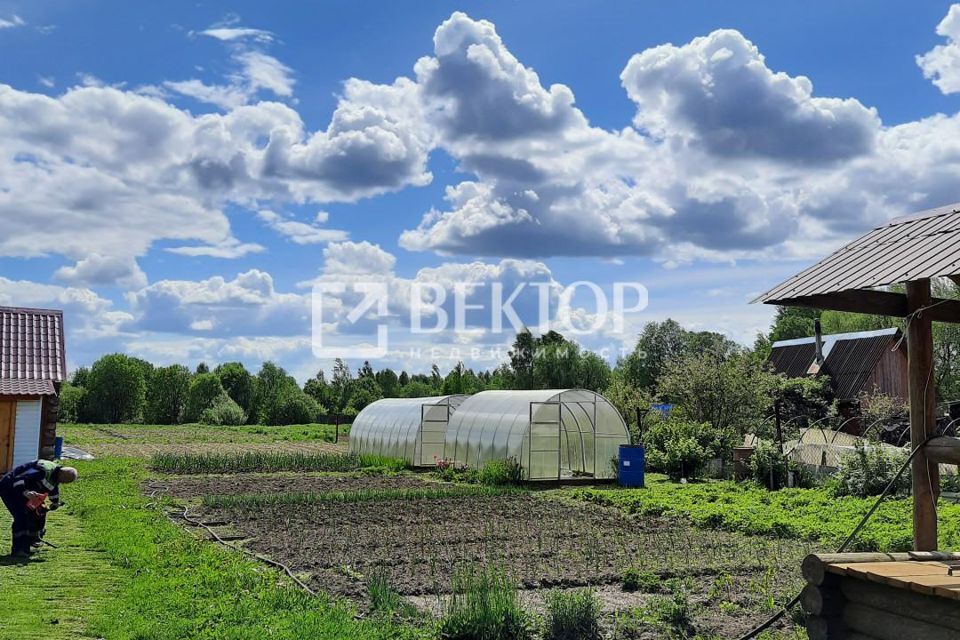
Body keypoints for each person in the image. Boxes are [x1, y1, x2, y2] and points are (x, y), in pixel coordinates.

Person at [0, 460, 78, 557]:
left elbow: (53, 488)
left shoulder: (57, 475)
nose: (62, 483)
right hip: (9, 487)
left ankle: (32, 539)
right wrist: (25, 492)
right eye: (63, 480)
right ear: (62, 473)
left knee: (40, 511)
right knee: (21, 516)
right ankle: (19, 549)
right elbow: (20, 477)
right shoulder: (43, 470)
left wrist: (55, 502)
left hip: (28, 492)